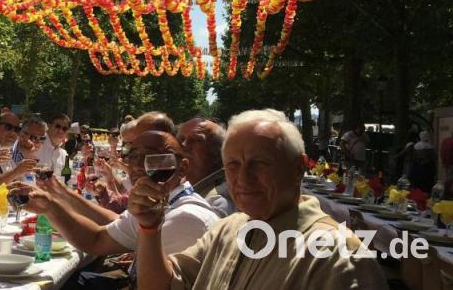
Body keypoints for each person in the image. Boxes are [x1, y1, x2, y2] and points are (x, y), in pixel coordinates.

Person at [130, 109, 387, 290]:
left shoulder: (338, 256)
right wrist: (150, 229)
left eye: (259, 163)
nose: (243, 178)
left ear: (298, 168)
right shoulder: (228, 230)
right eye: (233, 164)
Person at [15, 130, 220, 258]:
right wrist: (57, 198)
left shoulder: (185, 218)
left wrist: (52, 206)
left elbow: (97, 240)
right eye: (133, 157)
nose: (139, 166)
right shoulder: (158, 202)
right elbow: (106, 230)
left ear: (182, 168)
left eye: (153, 157)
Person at [176, 117, 235, 216]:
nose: (184, 145)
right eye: (181, 139)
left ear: (218, 152)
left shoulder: (216, 203)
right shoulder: (177, 186)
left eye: (196, 140)